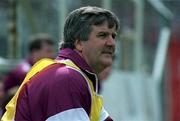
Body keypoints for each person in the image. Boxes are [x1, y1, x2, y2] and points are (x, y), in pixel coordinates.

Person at [2, 6, 119, 121]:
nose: (112, 43)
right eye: (102, 35)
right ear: (79, 43)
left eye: (113, 36)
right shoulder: (67, 78)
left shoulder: (77, 76)